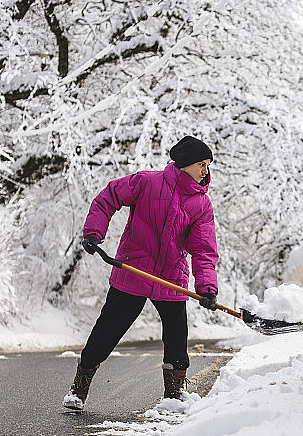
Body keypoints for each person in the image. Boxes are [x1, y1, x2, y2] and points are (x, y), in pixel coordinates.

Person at [63, 135, 219, 410]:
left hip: (171, 276)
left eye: (208, 165)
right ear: (184, 164)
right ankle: (79, 388)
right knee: (107, 331)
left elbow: (204, 249)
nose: (206, 170)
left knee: (177, 337)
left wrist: (207, 288)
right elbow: (108, 197)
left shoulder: (201, 204)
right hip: (134, 269)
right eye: (201, 164)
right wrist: (93, 233)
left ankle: (174, 396)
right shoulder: (147, 182)